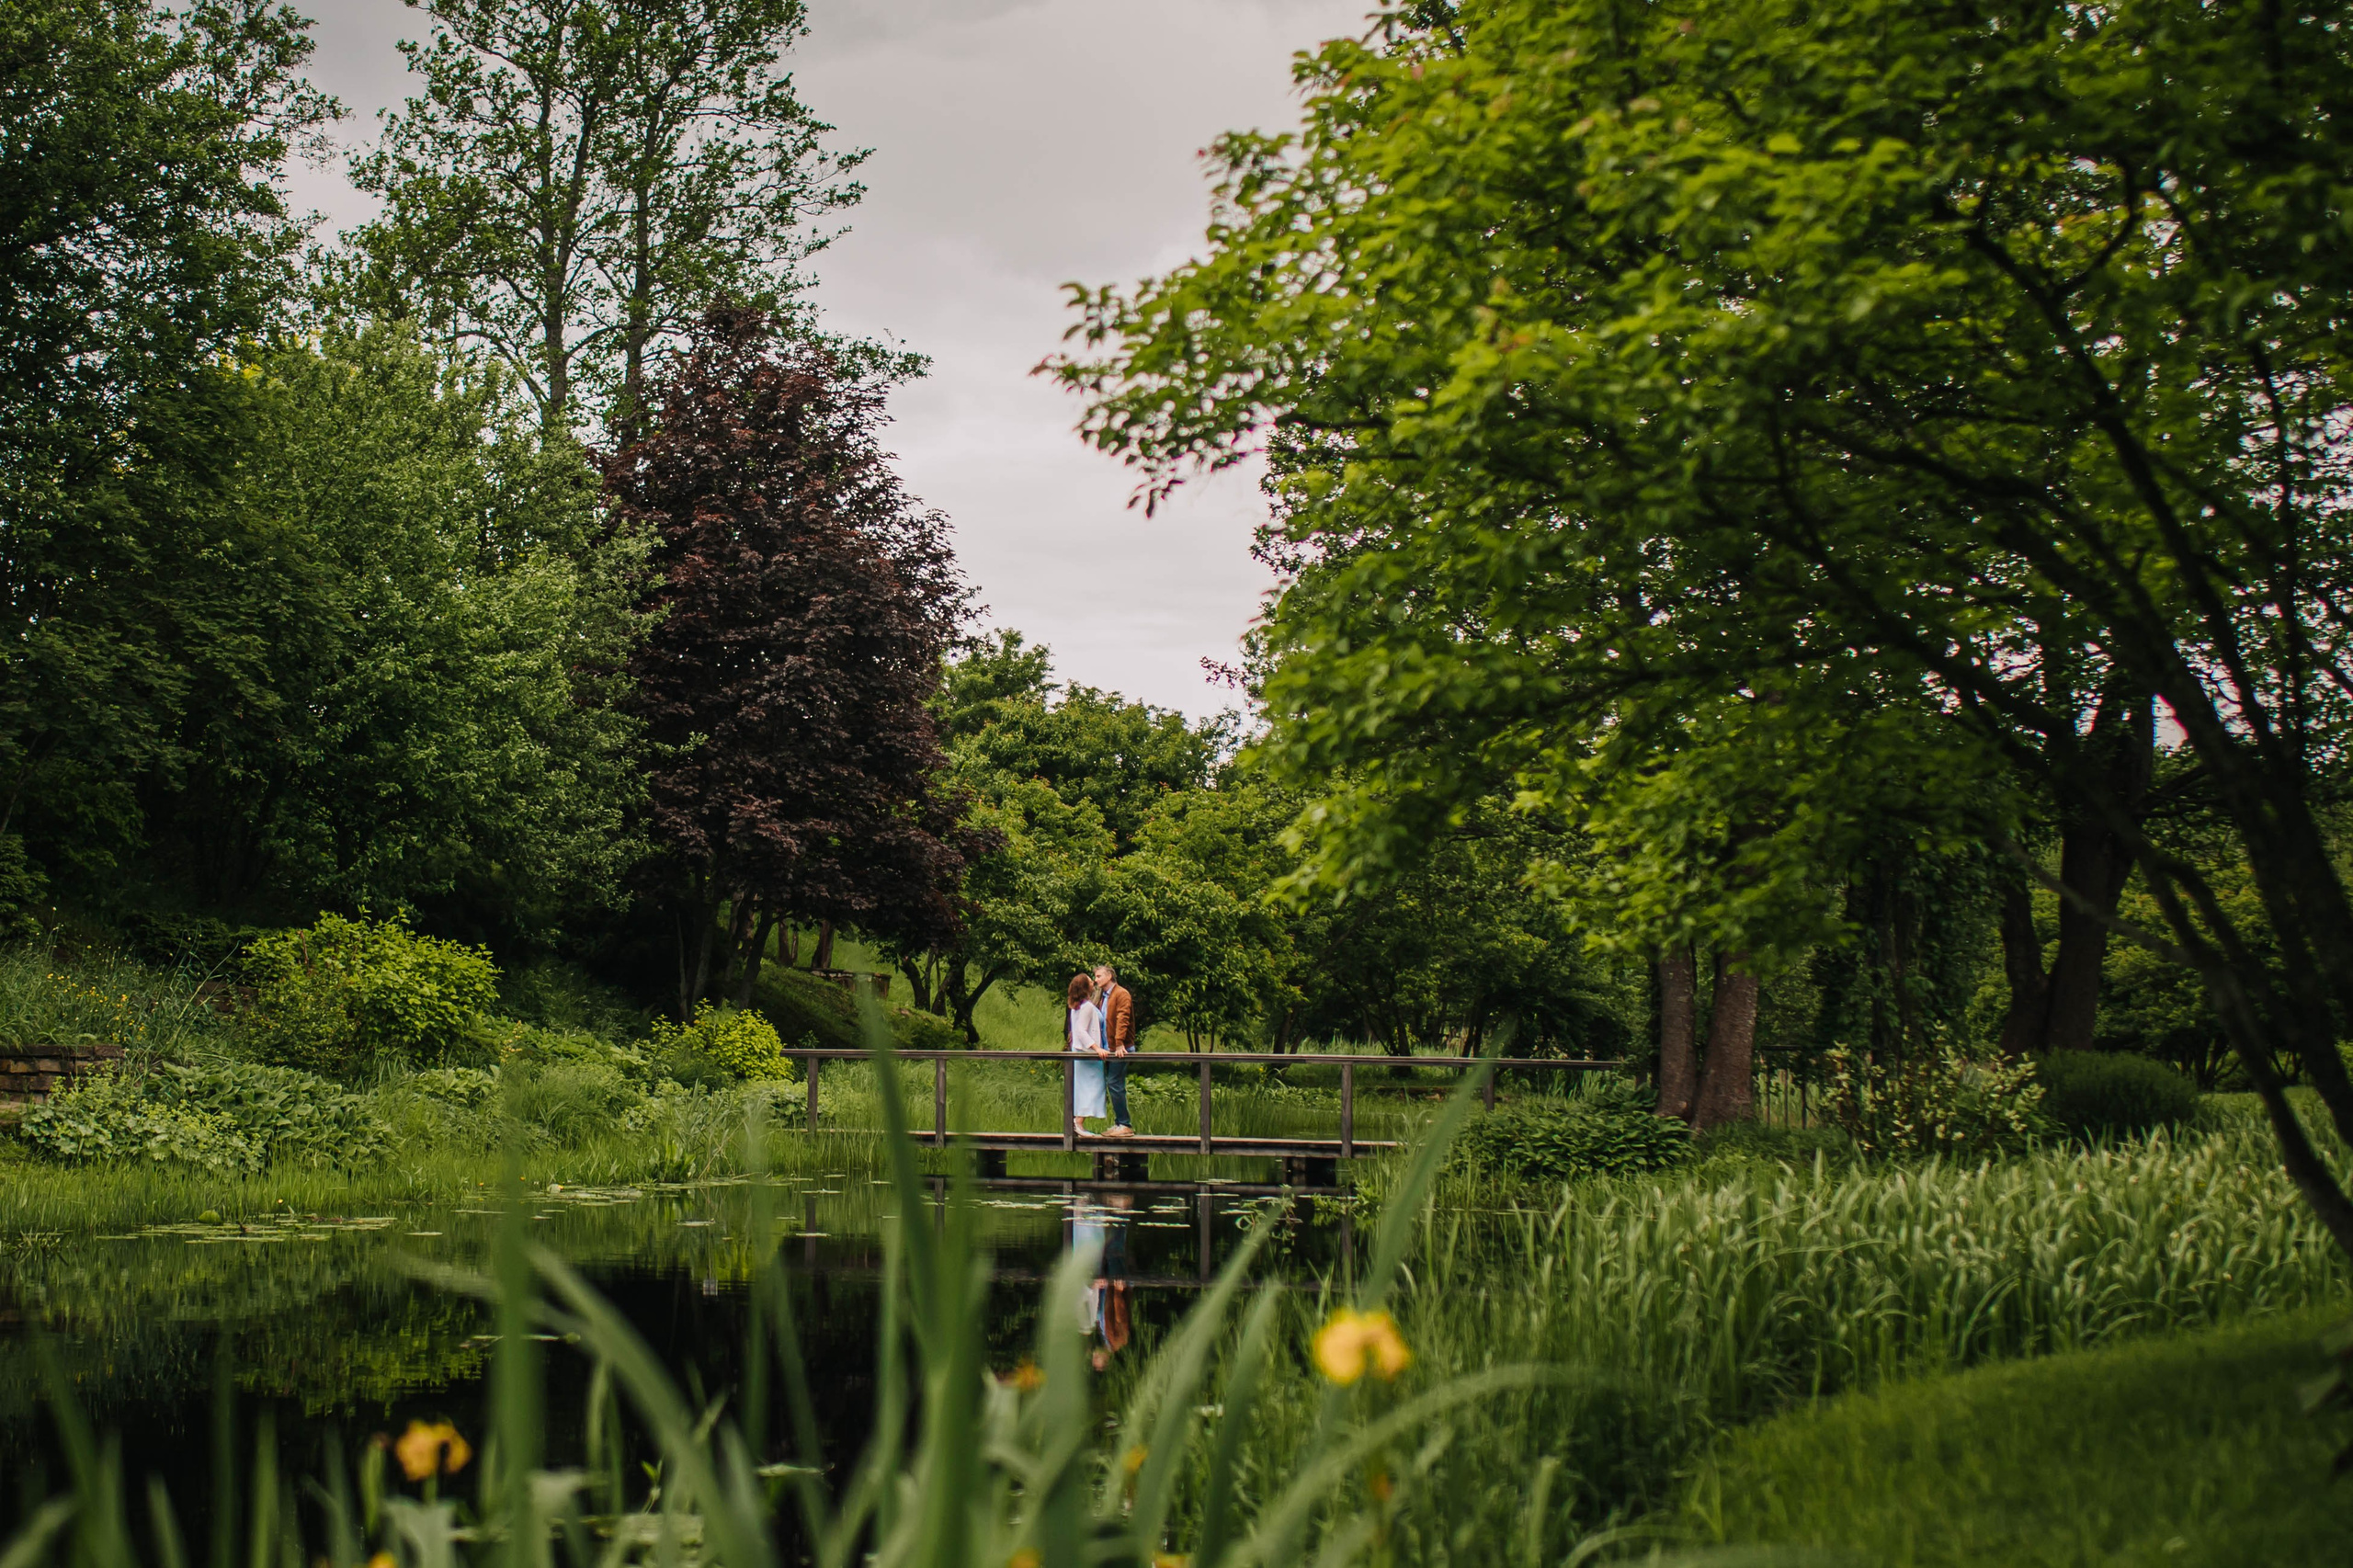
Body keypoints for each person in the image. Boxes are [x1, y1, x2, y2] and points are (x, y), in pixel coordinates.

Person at [1095, 963, 1136, 1136]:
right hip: (1109, 1048)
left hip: (1120, 1048)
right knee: (1114, 1084)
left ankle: (1125, 1124)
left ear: (1109, 976)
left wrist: (1119, 1043)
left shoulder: (1121, 994)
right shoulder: (1103, 997)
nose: (1096, 980)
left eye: (1099, 976)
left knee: (1114, 1083)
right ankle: (1119, 1123)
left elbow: (1122, 1018)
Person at [1066, 971, 1108, 1138]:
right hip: (1087, 1053)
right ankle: (1078, 1121)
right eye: (1091, 981)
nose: (1093, 983)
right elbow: (1081, 1031)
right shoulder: (1087, 1008)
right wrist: (1097, 1048)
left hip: (1079, 1051)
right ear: (1085, 987)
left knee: (1085, 1087)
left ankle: (1078, 1120)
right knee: (1093, 1087)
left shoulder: (1077, 1006)